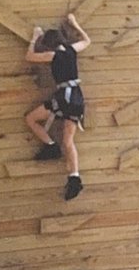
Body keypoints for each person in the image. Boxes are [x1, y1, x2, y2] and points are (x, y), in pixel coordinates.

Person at [25, 12, 91, 201]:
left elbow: (29, 56)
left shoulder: (51, 55)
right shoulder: (72, 50)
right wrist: (75, 23)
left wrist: (34, 37)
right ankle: (74, 177)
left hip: (63, 98)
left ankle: (51, 146)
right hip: (76, 97)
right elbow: (87, 41)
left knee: (31, 118)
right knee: (68, 141)